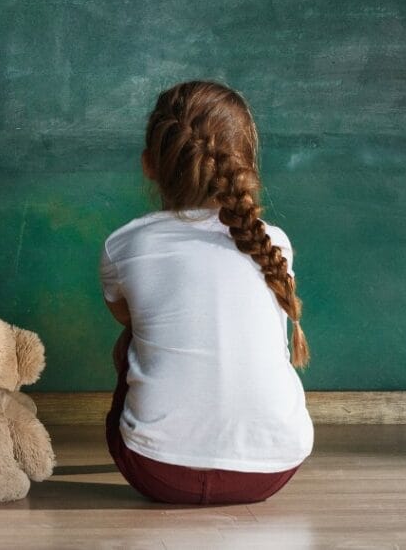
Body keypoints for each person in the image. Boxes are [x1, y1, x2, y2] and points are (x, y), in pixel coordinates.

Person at [100, 80, 314, 505]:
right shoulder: (275, 244)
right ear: (246, 166)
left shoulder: (124, 245)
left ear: (149, 164)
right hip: (272, 470)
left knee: (131, 343)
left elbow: (127, 319)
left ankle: (165, 435)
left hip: (156, 472)